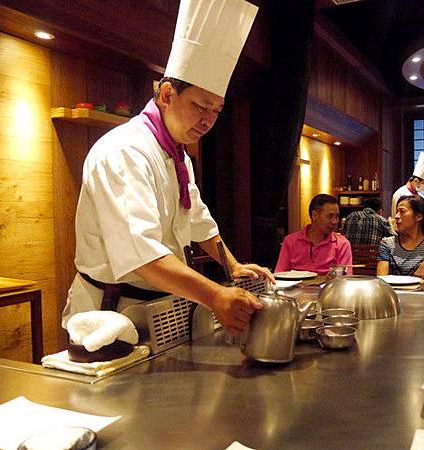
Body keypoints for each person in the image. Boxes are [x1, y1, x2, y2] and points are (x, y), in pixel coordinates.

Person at [62, 0, 274, 337]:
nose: (208, 120)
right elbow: (142, 256)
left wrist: (233, 266)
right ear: (166, 94)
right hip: (111, 315)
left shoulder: (177, 155)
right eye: (200, 106)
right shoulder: (125, 151)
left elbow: (198, 219)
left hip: (160, 306)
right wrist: (216, 295)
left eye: (216, 110)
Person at [275, 194, 352, 275]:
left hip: (329, 287)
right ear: (314, 215)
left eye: (337, 216)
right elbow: (280, 274)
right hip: (296, 287)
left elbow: (344, 279)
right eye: (330, 216)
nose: (335, 221)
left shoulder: (342, 244)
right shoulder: (290, 241)